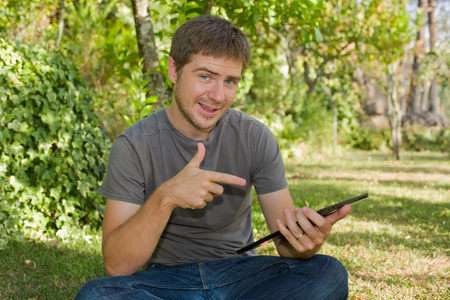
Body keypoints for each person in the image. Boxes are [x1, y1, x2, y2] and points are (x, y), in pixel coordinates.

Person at [76, 15, 351, 300]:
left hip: (241, 273)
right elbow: (118, 265)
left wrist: (306, 242)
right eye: (205, 76)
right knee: (97, 295)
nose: (218, 96)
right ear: (174, 70)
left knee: (327, 272)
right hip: (167, 281)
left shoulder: (255, 137)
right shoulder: (133, 145)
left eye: (230, 81)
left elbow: (286, 245)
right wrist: (165, 197)